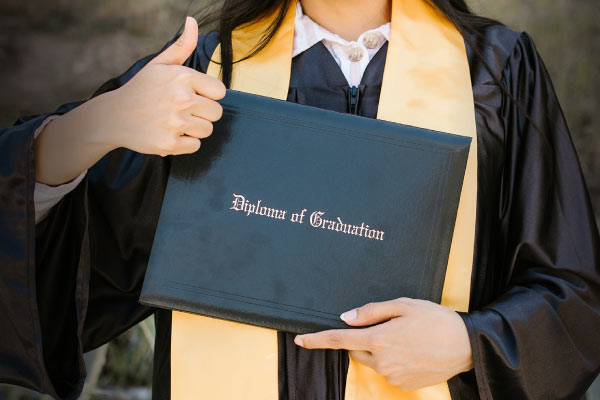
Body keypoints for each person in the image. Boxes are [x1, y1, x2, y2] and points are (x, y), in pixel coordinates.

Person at [1, 0, 599, 399]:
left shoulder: (494, 72)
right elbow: (72, 269)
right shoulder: (210, 70)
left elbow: (573, 294)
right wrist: (91, 127)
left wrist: (472, 345)